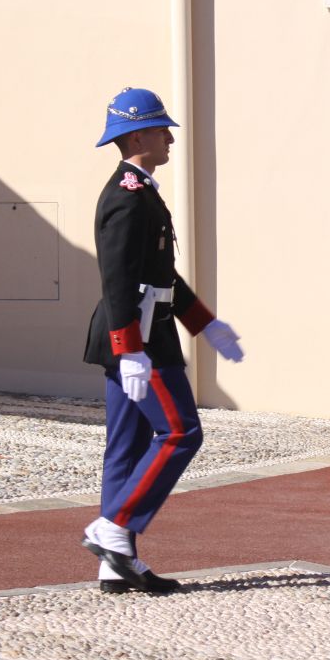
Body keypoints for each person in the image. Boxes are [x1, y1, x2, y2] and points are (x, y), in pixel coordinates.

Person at [80, 87, 244, 594]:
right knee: (180, 433)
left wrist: (205, 324)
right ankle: (114, 527)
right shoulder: (127, 197)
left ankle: (116, 562)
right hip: (141, 338)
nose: (170, 138)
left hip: (147, 331)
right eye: (160, 130)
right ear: (136, 138)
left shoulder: (142, 191)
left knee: (126, 448)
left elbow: (163, 274)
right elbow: (117, 279)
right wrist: (130, 349)